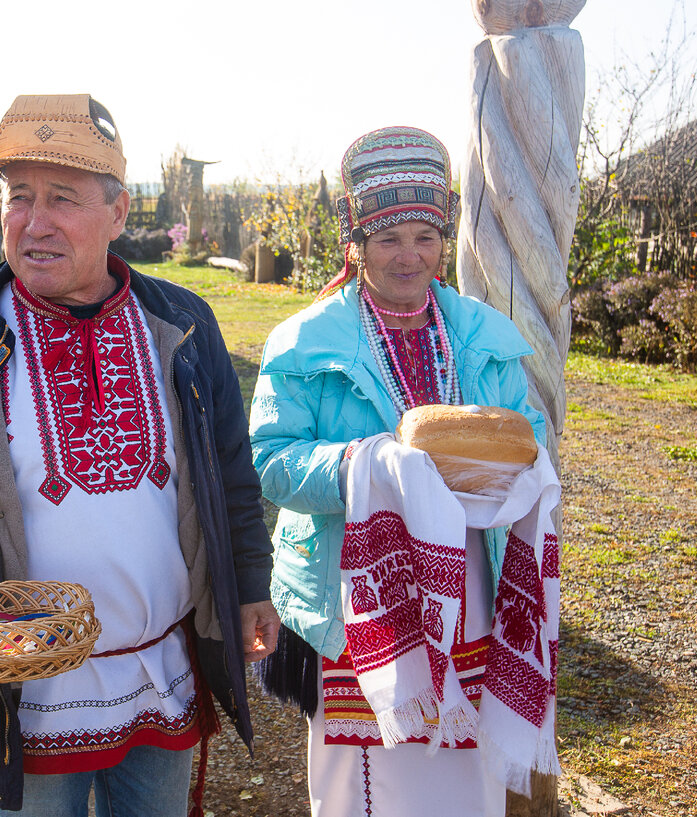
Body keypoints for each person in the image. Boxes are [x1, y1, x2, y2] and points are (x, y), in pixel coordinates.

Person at [0, 93, 279, 817]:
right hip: (28, 690)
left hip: (162, 672)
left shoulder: (182, 324)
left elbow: (230, 471)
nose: (34, 221)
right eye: (18, 197)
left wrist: (249, 585)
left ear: (118, 215)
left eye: (63, 198)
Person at [249, 127, 561, 817]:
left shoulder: (482, 335)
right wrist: (367, 464)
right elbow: (270, 461)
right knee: (364, 778)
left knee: (462, 767)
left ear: (444, 239)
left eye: (425, 235)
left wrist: (507, 470)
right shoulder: (304, 343)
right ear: (354, 243)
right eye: (389, 238)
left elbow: (525, 437)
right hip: (358, 593)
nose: (409, 256)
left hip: (468, 589)